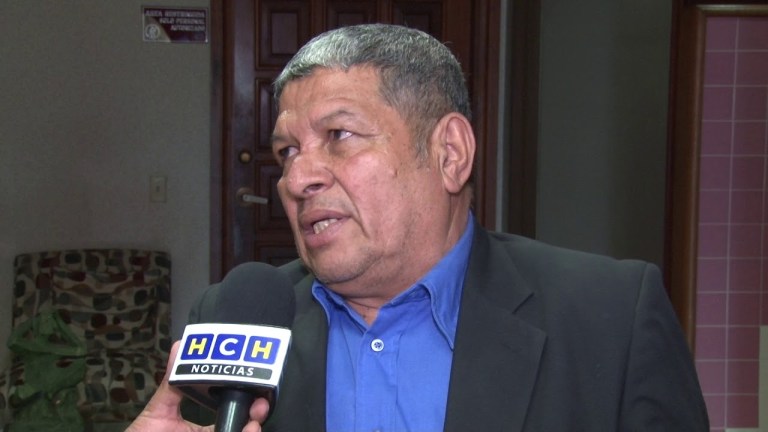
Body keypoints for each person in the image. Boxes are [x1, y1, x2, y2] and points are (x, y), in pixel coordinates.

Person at [127, 24, 709, 432]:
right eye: (287, 151)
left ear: (449, 153)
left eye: (339, 136)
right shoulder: (232, 322)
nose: (296, 179)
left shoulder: (612, 318)